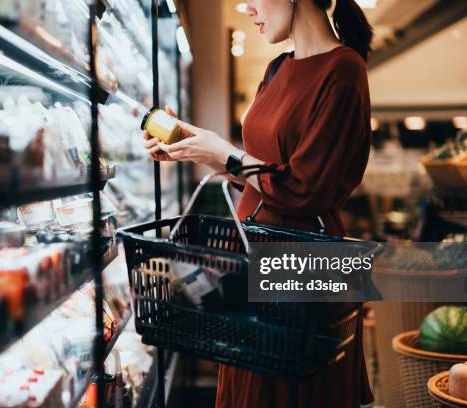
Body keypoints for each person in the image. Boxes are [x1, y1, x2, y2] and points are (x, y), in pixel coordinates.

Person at [143, 0, 374, 406]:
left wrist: (226, 155)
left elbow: (304, 190)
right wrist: (197, 148)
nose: (246, 7)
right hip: (254, 261)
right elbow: (267, 176)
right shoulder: (277, 69)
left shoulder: (343, 69)